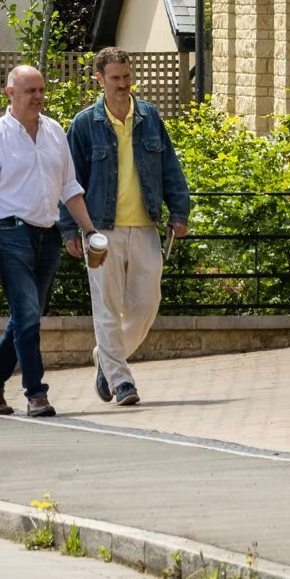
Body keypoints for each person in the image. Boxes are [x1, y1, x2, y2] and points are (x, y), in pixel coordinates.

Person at [0, 63, 99, 418]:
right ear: (10, 93)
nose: (38, 97)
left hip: (48, 235)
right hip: (9, 233)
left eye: (41, 90)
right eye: (30, 91)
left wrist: (89, 230)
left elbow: (70, 188)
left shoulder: (55, 131)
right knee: (27, 315)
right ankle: (36, 393)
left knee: (27, 316)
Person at [62, 46, 190, 407]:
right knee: (105, 305)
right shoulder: (84, 124)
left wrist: (179, 212)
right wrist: (69, 229)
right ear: (99, 79)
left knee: (146, 304)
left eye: (127, 77)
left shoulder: (149, 116)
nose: (123, 84)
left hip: (146, 225)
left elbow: (170, 169)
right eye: (115, 78)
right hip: (100, 230)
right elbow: (69, 180)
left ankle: (106, 358)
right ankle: (121, 382)